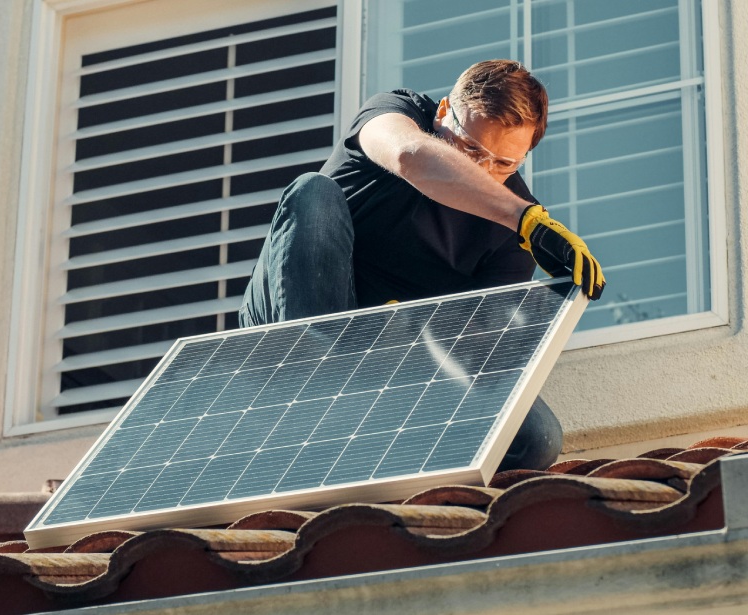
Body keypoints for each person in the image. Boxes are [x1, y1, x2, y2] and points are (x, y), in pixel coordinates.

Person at [239, 59, 605, 472]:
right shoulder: (398, 113)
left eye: (504, 164)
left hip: (393, 361)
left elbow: (479, 359)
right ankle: (313, 392)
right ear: (444, 111)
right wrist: (523, 218)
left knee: (535, 439)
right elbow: (408, 153)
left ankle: (383, 443)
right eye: (470, 148)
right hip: (303, 319)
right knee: (313, 192)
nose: (482, 169)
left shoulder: (513, 233)